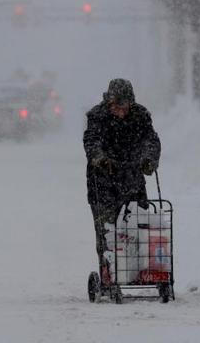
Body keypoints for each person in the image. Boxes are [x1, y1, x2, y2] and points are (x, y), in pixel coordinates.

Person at [83, 78, 161, 284]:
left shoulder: (140, 116)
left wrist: (149, 159)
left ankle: (139, 271)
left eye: (125, 106)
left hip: (132, 179)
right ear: (109, 103)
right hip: (102, 183)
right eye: (117, 107)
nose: (121, 111)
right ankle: (109, 272)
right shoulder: (97, 116)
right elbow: (91, 141)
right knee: (107, 230)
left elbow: (150, 140)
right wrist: (100, 159)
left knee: (138, 226)